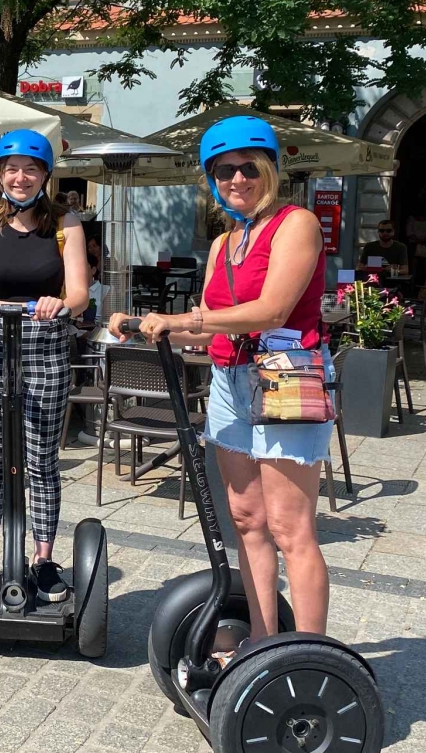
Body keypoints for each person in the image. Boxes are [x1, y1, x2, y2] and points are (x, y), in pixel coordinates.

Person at [109, 115, 333, 641]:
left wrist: (183, 320)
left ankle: (308, 654)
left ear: (269, 169)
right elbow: (207, 330)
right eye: (224, 170)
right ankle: (262, 641)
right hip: (231, 380)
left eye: (248, 168)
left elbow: (273, 311)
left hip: (286, 376)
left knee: (289, 526)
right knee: (248, 519)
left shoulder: (296, 223)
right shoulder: (223, 244)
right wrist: (145, 326)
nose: (237, 179)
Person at [0, 129, 90, 604]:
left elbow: (79, 293)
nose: (20, 177)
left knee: (41, 460)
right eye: (11, 169)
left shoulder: (65, 224)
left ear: (45, 176)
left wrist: (60, 303)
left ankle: (44, 558)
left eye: (30, 169)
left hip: (45, 345)